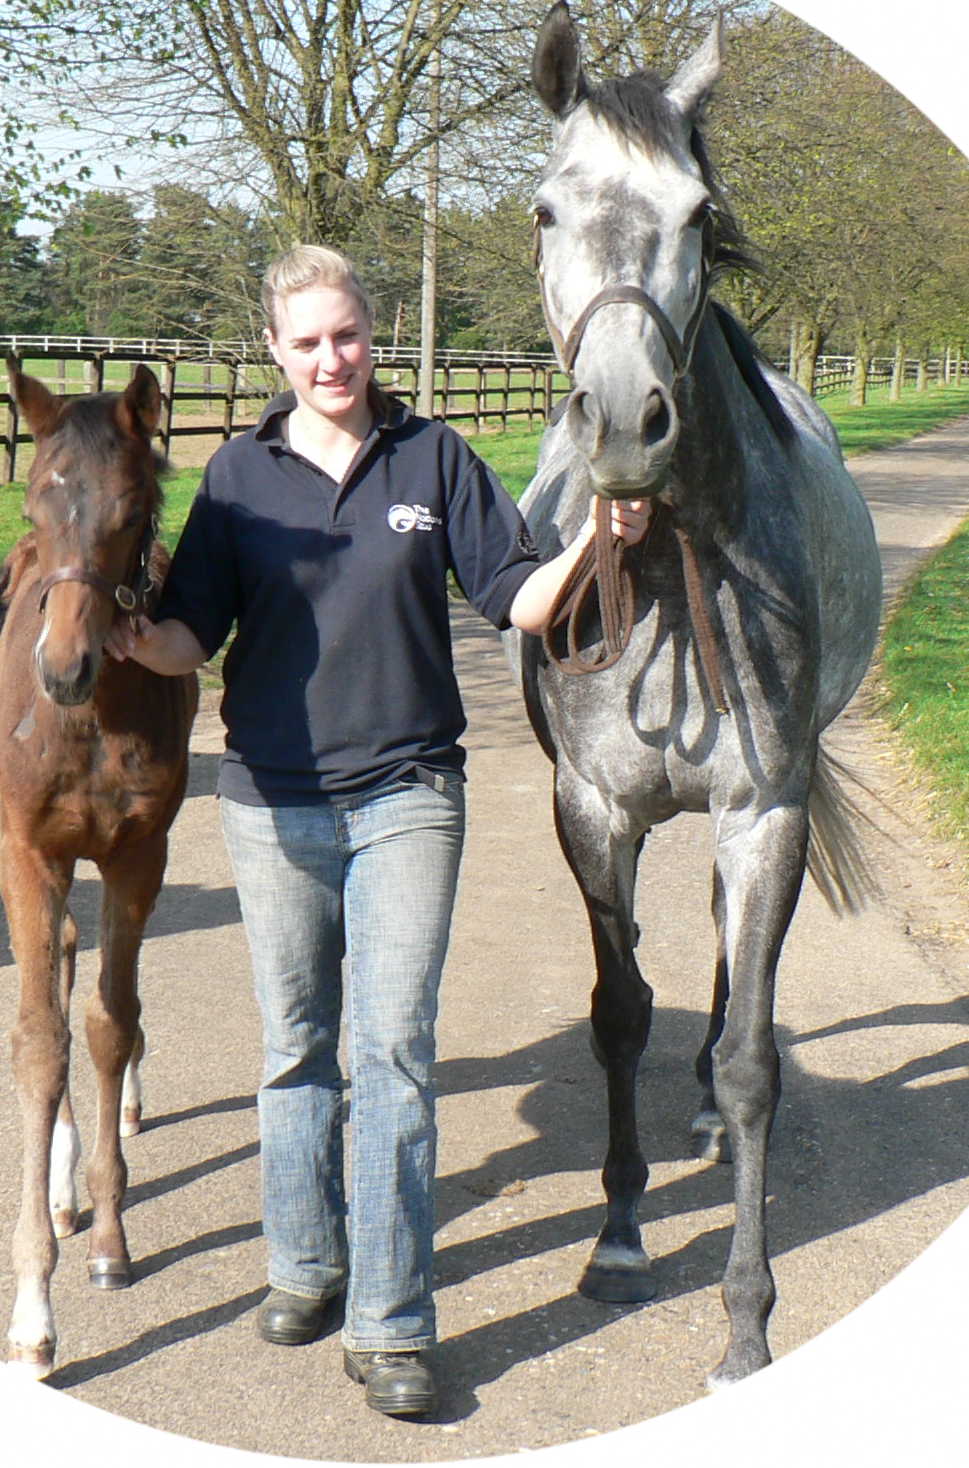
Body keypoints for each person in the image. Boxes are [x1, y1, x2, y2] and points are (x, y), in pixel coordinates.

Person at [106, 245, 647, 1420]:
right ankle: (304, 1262)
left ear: (374, 333)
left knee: (392, 1050)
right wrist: (134, 641)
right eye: (305, 341)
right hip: (270, 801)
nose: (330, 359)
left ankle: (391, 1321)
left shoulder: (433, 456)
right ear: (274, 349)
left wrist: (597, 537)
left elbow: (515, 597)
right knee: (294, 1047)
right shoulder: (236, 476)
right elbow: (191, 632)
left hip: (408, 794)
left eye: (345, 334)